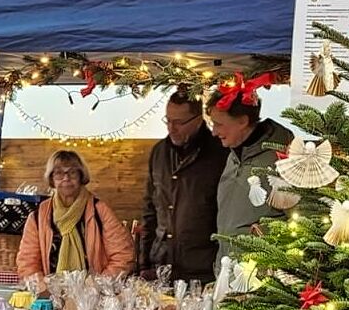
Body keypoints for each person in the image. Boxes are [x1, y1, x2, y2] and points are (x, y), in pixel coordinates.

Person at [140, 88, 228, 283]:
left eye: (179, 122)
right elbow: (150, 210)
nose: (171, 128)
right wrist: (144, 262)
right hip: (161, 263)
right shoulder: (159, 152)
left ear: (198, 119)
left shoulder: (221, 153)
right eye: (168, 120)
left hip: (203, 269)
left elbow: (226, 214)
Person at [207, 73, 294, 268]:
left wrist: (260, 239)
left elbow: (304, 223)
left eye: (219, 124)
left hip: (261, 277)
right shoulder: (233, 157)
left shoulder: (283, 159)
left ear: (242, 121)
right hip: (228, 272)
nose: (213, 132)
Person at [16, 150, 134, 289]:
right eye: (59, 173)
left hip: (94, 295)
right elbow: (27, 262)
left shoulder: (100, 211)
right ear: (52, 179)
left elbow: (123, 255)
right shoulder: (38, 217)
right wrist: (41, 286)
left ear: (81, 176)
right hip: (49, 294)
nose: (66, 178)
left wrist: (98, 285)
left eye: (72, 172)